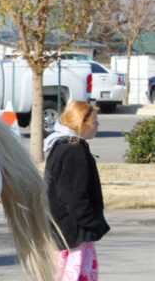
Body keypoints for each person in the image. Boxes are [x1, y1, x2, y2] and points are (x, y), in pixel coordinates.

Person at [43, 101, 110, 281]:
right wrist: (93, 223)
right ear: (82, 123)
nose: (97, 125)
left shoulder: (61, 145)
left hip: (63, 232)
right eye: (94, 121)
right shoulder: (74, 151)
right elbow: (74, 197)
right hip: (73, 236)